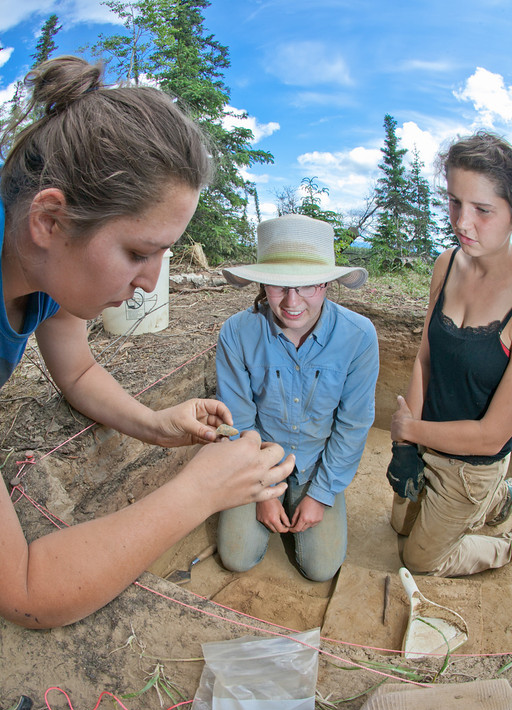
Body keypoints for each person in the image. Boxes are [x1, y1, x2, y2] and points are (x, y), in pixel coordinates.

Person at [0, 56, 294, 629]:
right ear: (50, 219)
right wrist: (198, 492)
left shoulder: (40, 268)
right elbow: (27, 592)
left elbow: (78, 370)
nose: (150, 282)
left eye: (163, 253)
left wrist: (156, 424)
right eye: (138, 253)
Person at [215, 213, 379, 581]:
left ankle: (328, 495)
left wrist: (321, 495)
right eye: (278, 286)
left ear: (326, 283)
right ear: (262, 283)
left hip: (317, 462)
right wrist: (264, 491)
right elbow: (237, 421)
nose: (293, 300)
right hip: (258, 461)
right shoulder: (237, 333)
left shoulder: (358, 336)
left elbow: (353, 424)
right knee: (236, 557)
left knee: (321, 568)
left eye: (307, 286)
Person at [388, 131, 512, 577]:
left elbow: (491, 436)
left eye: (482, 210)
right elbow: (425, 356)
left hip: (471, 463)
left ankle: (502, 533)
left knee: (419, 559)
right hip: (425, 441)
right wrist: (406, 446)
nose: (463, 222)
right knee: (398, 525)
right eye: (455, 202)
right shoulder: (447, 263)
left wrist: (411, 429)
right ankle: (493, 500)